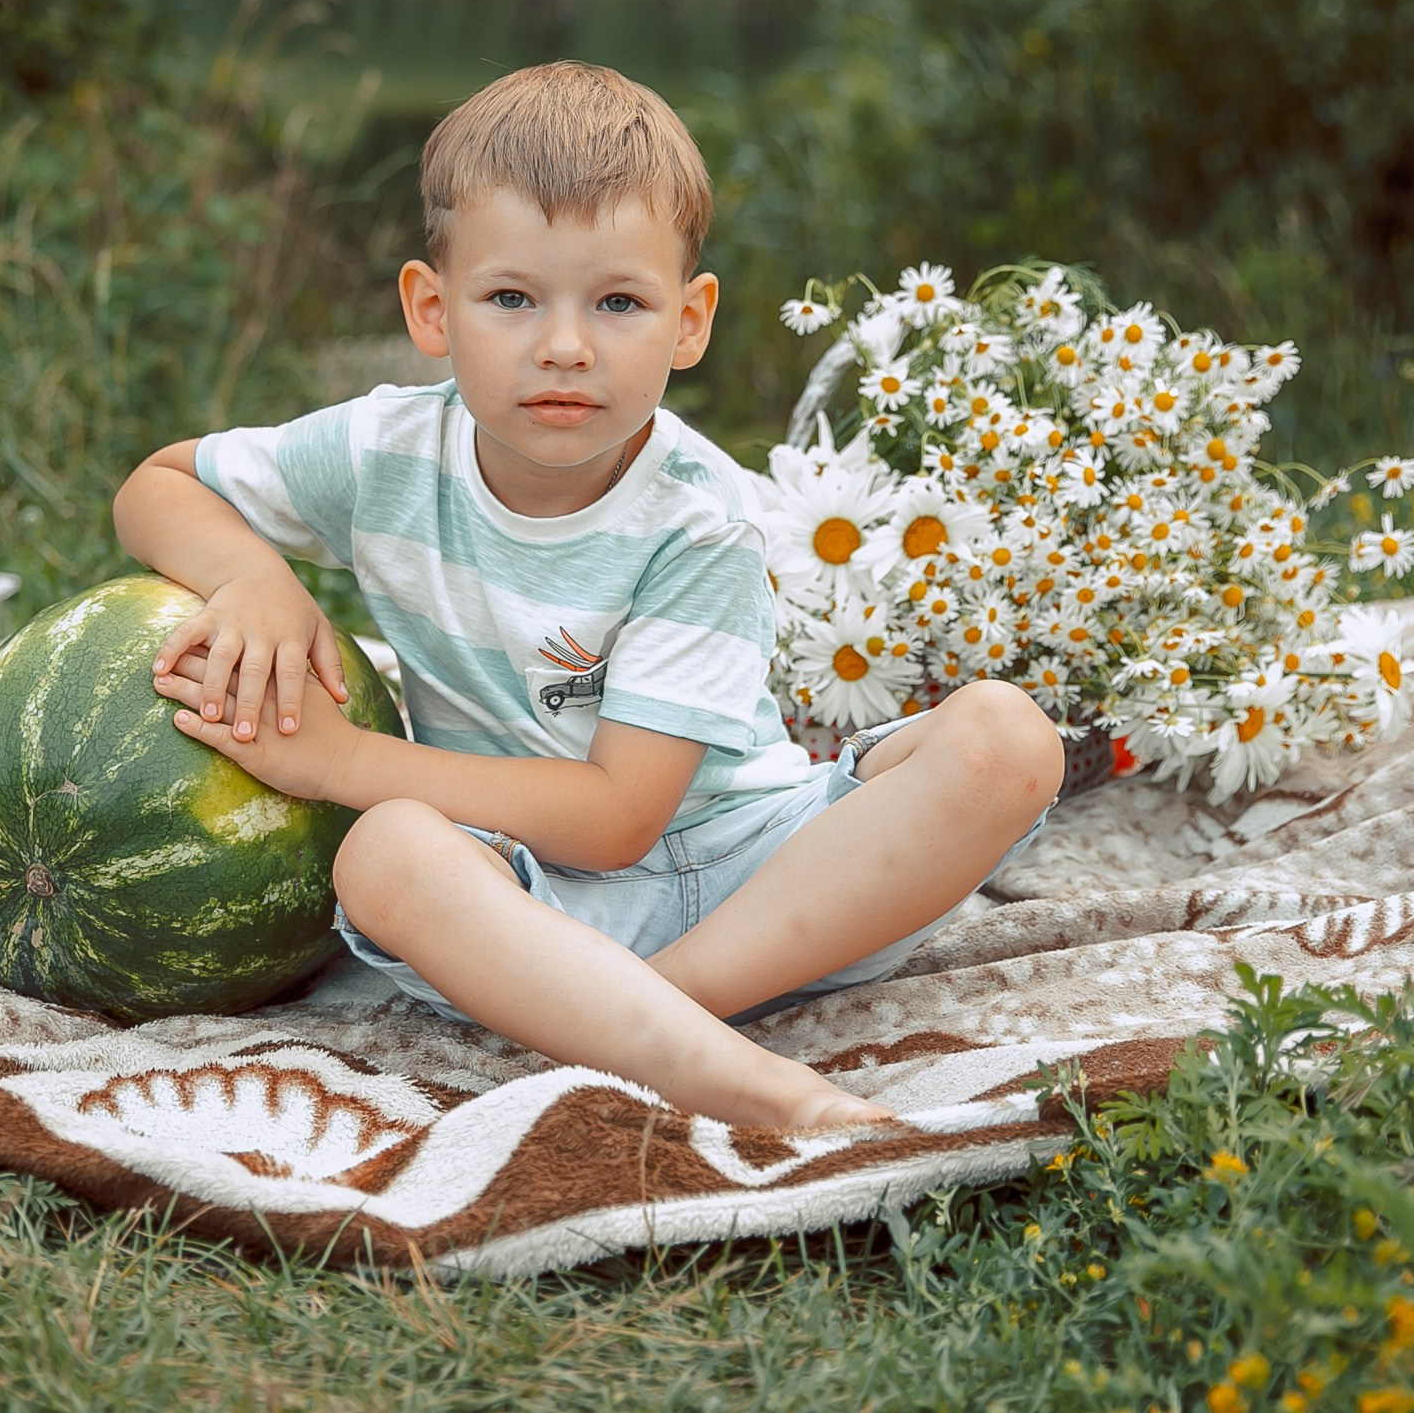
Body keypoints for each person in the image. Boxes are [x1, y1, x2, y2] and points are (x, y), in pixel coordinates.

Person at [112, 62, 1062, 1129]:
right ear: (433, 309)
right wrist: (255, 576)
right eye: (511, 297)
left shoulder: (699, 518)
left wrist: (342, 761)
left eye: (617, 301)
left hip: (765, 879)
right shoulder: (381, 451)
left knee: (1005, 737)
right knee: (386, 854)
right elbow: (159, 483)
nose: (563, 343)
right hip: (528, 900)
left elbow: (618, 816)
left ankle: (659, 1030)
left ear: (688, 322)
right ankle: (658, 1032)